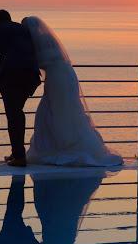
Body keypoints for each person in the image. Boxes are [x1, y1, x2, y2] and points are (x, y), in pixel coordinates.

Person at [23, 17, 123, 166]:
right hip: (63, 77)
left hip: (58, 80)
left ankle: (61, 145)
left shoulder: (40, 42)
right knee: (60, 110)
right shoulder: (48, 39)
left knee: (60, 111)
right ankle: (58, 144)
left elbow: (42, 61)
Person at [0, 10, 41, 167]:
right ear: (9, 19)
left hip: (12, 76)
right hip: (31, 76)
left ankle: (19, 156)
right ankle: (17, 152)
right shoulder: (23, 29)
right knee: (17, 112)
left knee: (13, 115)